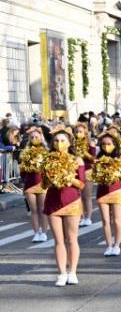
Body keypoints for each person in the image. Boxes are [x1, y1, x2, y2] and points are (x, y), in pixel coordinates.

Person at [43, 129, 85, 286]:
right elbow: (43, 184)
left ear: (69, 143)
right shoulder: (48, 159)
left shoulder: (77, 160)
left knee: (71, 239)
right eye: (56, 141)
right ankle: (61, 273)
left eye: (62, 140)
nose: (59, 144)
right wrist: (49, 178)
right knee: (58, 240)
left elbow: (81, 184)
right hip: (53, 202)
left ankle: (72, 271)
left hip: (72, 201)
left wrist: (69, 178)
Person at [92, 132, 121, 256]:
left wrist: (115, 174)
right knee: (105, 221)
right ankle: (108, 245)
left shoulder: (120, 157)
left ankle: (117, 245)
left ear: (114, 144)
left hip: (116, 191)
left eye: (109, 144)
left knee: (117, 221)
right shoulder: (98, 158)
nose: (106, 146)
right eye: (103, 144)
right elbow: (94, 175)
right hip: (102, 192)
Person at [19, 126, 49, 242]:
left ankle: (44, 232)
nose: (34, 139)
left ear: (41, 138)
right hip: (29, 184)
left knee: (42, 209)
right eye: (32, 137)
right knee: (34, 210)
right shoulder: (25, 152)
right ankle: (36, 232)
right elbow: (22, 170)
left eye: (36, 137)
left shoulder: (45, 152)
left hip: (42, 184)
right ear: (29, 139)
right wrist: (24, 180)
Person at [73, 123, 95, 227]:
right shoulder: (72, 144)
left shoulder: (90, 143)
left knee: (87, 196)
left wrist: (85, 153)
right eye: (77, 131)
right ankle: (81, 217)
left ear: (85, 133)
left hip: (87, 171)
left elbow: (94, 159)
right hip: (75, 171)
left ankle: (88, 217)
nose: (78, 133)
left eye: (80, 131)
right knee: (78, 196)